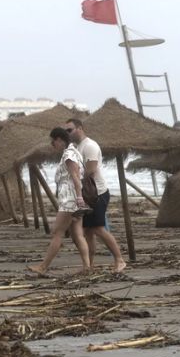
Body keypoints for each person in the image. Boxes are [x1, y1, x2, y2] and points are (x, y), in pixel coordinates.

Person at [65, 117, 127, 273]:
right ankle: (89, 266)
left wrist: (74, 179)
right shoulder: (76, 147)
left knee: (98, 229)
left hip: (97, 193)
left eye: (70, 130)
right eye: (66, 131)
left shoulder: (90, 145)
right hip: (86, 194)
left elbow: (90, 170)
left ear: (79, 128)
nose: (68, 133)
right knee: (88, 231)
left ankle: (120, 260)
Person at [27, 127, 91, 276]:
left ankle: (43, 267)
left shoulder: (69, 154)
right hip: (73, 198)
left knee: (57, 232)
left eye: (53, 141)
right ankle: (87, 267)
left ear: (60, 140)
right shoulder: (74, 152)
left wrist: (79, 197)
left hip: (70, 199)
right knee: (77, 234)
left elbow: (75, 177)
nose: (52, 144)